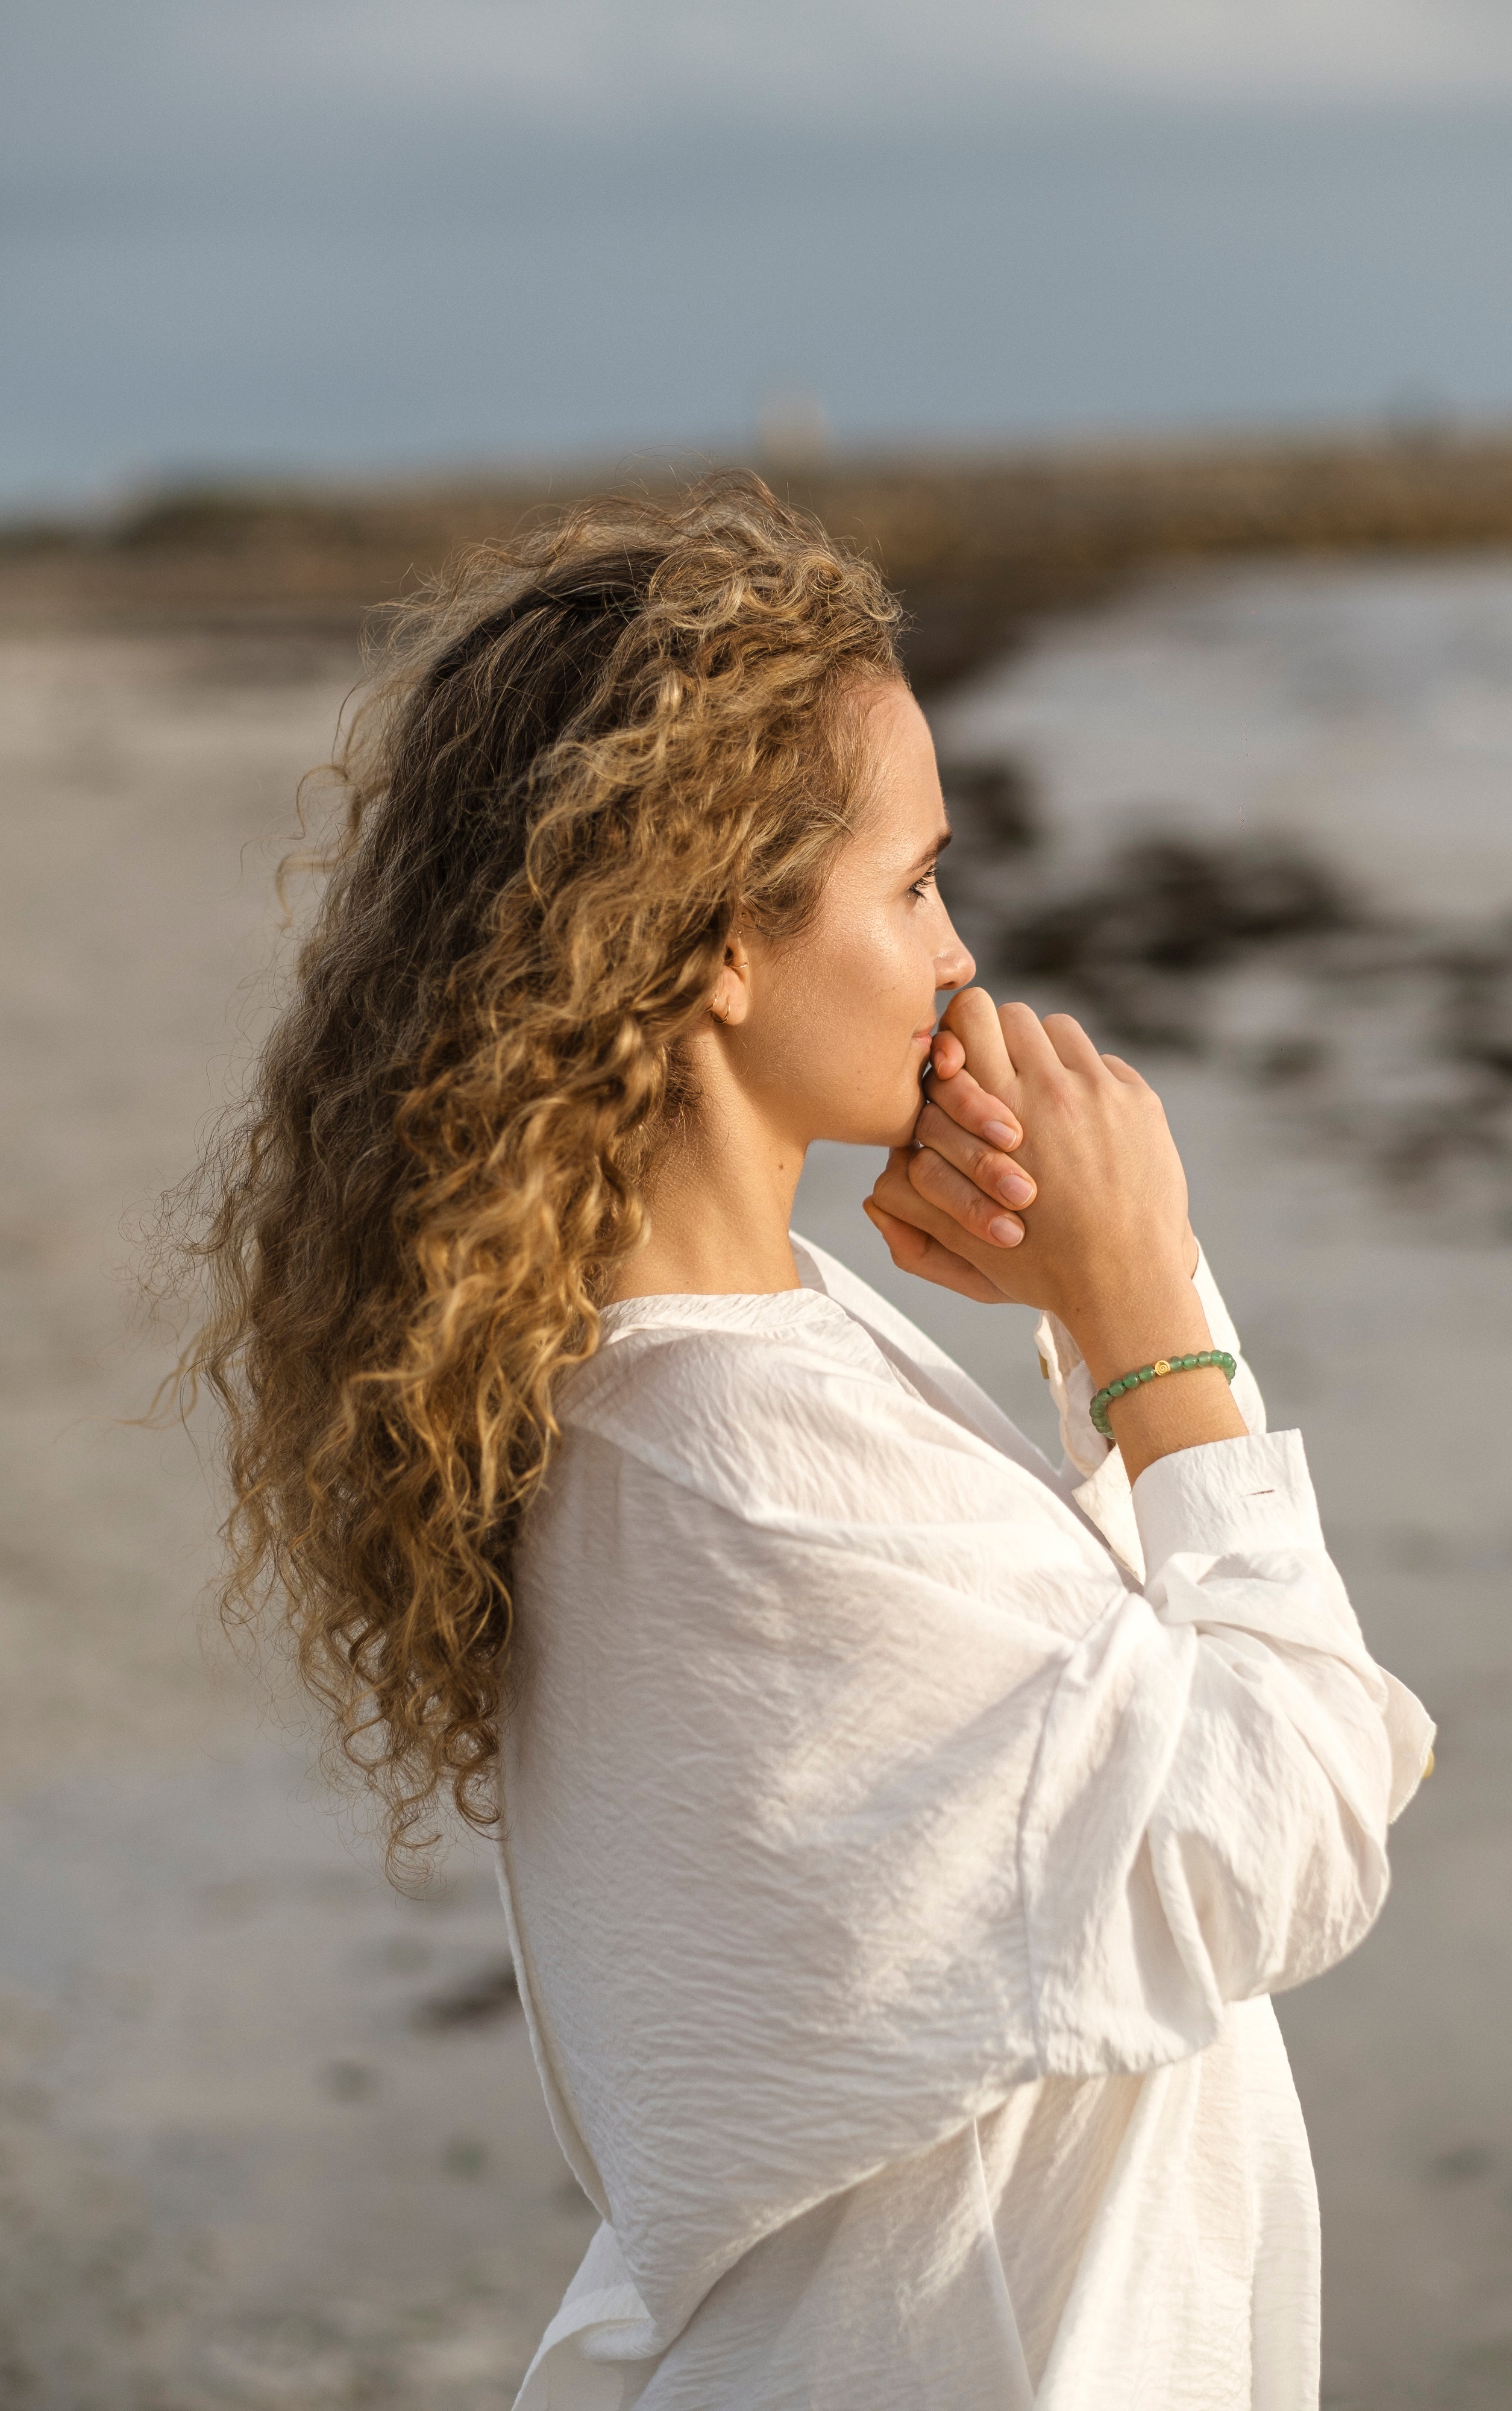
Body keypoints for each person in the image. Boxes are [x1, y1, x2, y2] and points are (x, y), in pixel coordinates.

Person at [177, 476, 1432, 2410]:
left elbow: (1097, 1760)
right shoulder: (737, 1458)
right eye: (914, 882)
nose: (958, 957)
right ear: (717, 943)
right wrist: (1146, 1318)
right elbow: (1292, 1822)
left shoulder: (728, 1360)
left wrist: (1085, 1345)